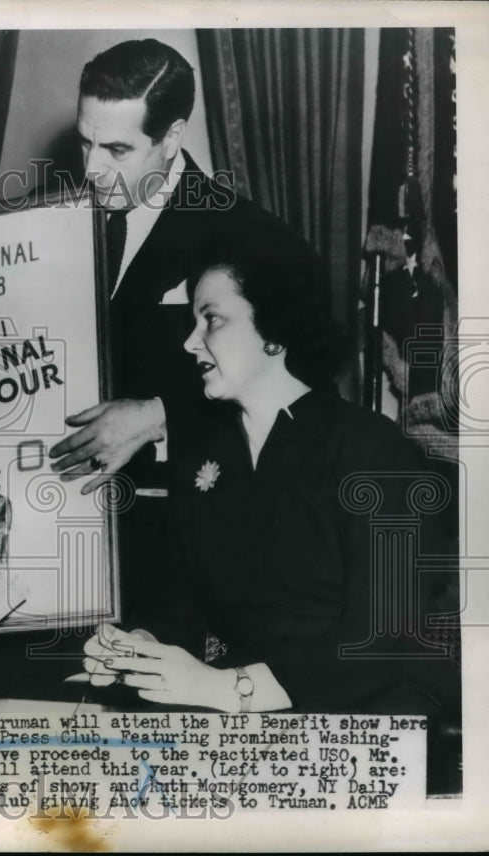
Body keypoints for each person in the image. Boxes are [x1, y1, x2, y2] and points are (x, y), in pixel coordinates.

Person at [82, 225, 460, 717]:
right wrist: (138, 648)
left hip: (377, 719)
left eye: (211, 319)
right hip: (250, 721)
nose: (190, 343)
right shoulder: (204, 457)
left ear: (275, 332)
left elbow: (384, 638)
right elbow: (180, 603)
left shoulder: (371, 450)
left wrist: (226, 689)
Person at [45, 38, 318, 627]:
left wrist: (160, 414)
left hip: (186, 547)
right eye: (85, 143)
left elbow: (308, 374)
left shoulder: (251, 238)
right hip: (56, 538)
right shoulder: (45, 225)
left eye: (117, 149)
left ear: (172, 138)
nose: (92, 170)